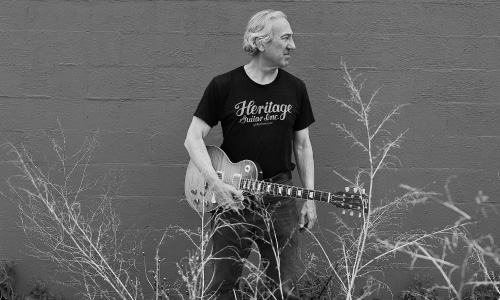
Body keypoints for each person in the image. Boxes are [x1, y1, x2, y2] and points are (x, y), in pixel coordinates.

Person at [184, 9, 317, 300]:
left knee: (282, 289)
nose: (292, 45)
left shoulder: (296, 89)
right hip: (232, 196)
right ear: (260, 43)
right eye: (285, 38)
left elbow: (303, 146)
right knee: (222, 286)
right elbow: (193, 139)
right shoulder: (224, 86)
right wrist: (216, 185)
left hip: (280, 196)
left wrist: (308, 197)